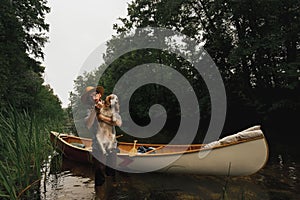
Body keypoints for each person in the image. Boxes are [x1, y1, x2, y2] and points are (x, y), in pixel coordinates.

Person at [81, 86, 119, 199]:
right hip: (98, 147)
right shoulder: (88, 110)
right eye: (91, 96)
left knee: (112, 173)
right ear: (89, 98)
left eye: (95, 94)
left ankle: (113, 194)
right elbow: (88, 125)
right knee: (99, 175)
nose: (93, 97)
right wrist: (95, 111)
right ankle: (99, 196)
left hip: (112, 145)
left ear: (99, 95)